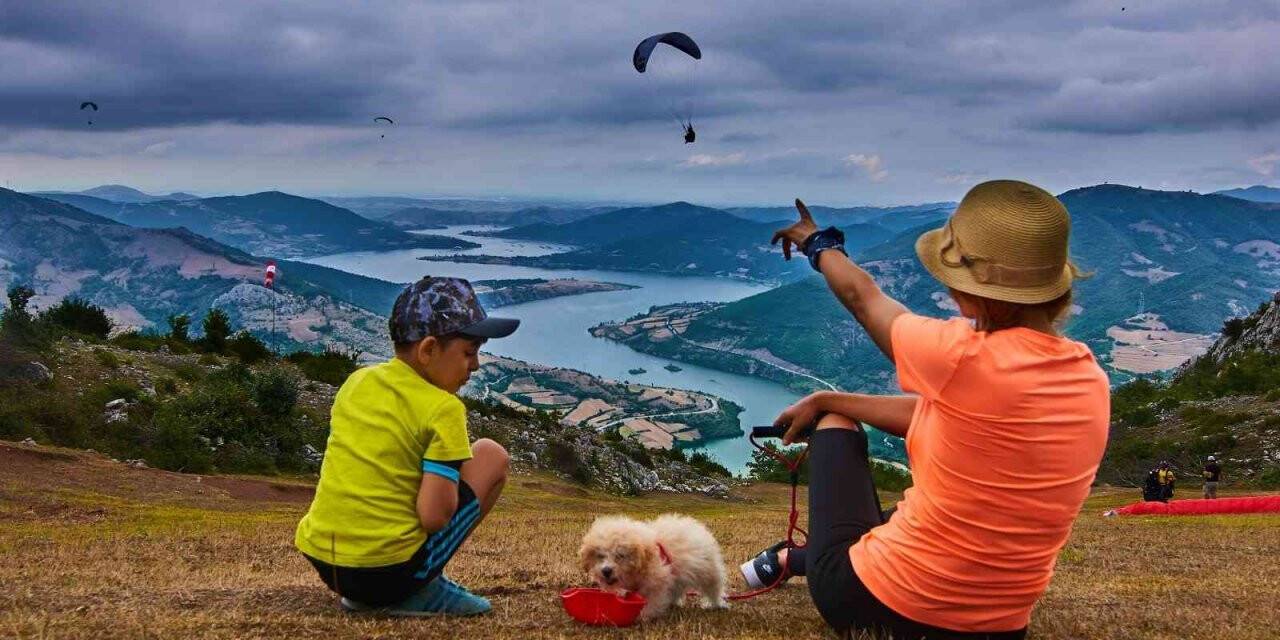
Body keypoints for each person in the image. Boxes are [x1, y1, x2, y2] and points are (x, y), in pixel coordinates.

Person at [739, 181, 1109, 638]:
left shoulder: (960, 357)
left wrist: (817, 243)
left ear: (972, 291)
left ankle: (793, 558)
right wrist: (826, 396)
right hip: (1001, 627)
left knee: (836, 424)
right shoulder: (1089, 379)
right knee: (913, 504)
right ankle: (792, 558)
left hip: (871, 605)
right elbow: (942, 416)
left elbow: (863, 299)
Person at [294, 276, 519, 616]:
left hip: (327, 561)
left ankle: (374, 592)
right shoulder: (443, 408)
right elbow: (434, 516)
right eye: (469, 352)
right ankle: (422, 588)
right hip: (387, 572)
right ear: (428, 350)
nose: (475, 365)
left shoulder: (357, 382)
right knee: (491, 455)